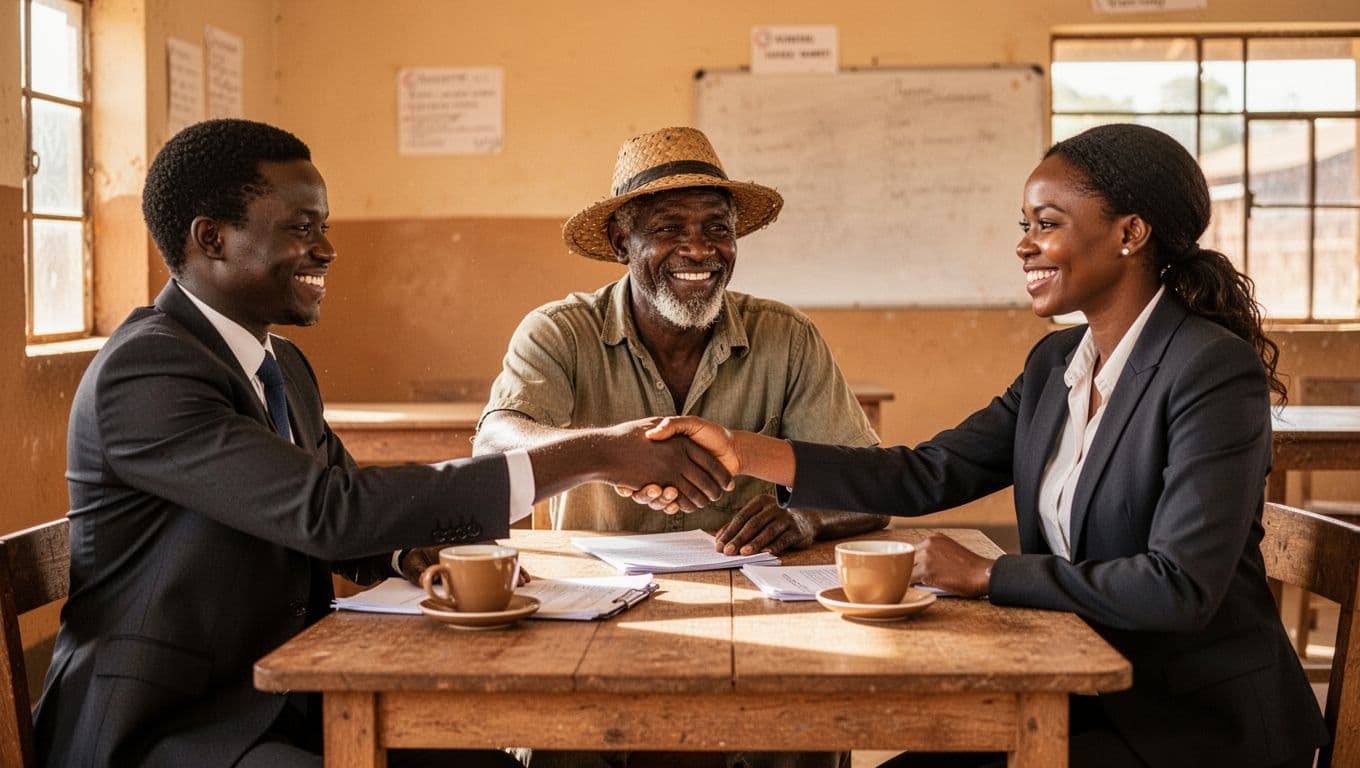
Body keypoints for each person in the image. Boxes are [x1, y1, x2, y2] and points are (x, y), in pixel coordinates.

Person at [31, 119, 731, 768]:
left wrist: (412, 554)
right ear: (211, 238)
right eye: (302, 228)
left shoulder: (282, 369)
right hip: (169, 728)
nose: (328, 249)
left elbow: (346, 533)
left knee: (486, 759)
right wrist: (595, 453)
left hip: (283, 694)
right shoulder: (147, 369)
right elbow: (329, 510)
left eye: (325, 226)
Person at [642, 124, 1329, 768]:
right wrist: (740, 450)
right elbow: (926, 475)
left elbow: (1178, 589)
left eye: (1047, 224)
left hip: (1192, 726)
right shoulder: (1057, 364)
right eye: (1023, 227)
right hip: (1083, 689)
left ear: (1130, 232)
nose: (1024, 245)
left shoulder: (1208, 369)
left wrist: (985, 575)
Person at [475, 126, 887, 561]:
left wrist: (808, 516)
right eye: (669, 228)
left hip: (748, 587)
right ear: (622, 243)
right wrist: (611, 451)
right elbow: (492, 447)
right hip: (597, 591)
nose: (698, 249)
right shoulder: (559, 332)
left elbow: (874, 486)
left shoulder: (787, 338)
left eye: (717, 228)